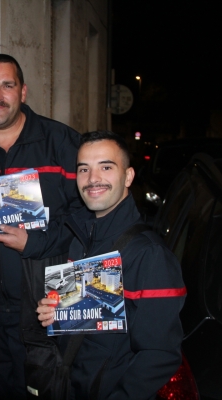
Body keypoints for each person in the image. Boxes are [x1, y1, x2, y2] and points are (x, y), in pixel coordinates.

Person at [0, 54, 82, 399]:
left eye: (7, 85)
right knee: (3, 385)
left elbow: (86, 219)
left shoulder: (62, 144)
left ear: (23, 92)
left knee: (48, 387)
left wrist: (34, 243)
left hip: (45, 304)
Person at [36, 131, 186, 399]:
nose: (93, 178)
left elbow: (160, 354)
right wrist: (58, 309)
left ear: (128, 176)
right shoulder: (80, 237)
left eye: (106, 167)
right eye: (84, 169)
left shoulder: (150, 256)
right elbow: (90, 318)